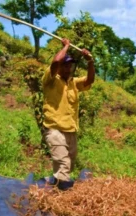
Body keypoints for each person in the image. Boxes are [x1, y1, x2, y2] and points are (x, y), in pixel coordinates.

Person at [42, 38, 95, 190]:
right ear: (59, 68)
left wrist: (90, 61)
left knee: (68, 164)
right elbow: (55, 62)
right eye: (64, 65)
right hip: (55, 129)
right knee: (64, 165)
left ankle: (55, 185)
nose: (67, 69)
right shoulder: (50, 79)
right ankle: (63, 198)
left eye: (69, 65)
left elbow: (90, 79)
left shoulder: (73, 82)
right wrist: (65, 46)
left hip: (70, 131)